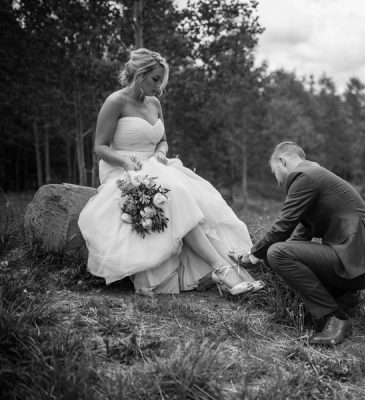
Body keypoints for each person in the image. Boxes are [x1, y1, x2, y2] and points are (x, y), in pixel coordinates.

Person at [78, 48, 263, 296]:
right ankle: (223, 269)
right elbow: (99, 147)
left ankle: (228, 269)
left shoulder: (154, 103)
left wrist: (161, 154)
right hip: (124, 171)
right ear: (139, 74)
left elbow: (162, 140)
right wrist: (126, 163)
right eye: (155, 79)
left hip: (157, 166)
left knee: (186, 195)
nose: (160, 86)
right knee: (175, 193)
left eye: (161, 80)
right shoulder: (116, 102)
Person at [239, 142, 365, 345]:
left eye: (273, 171)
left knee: (276, 252)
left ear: (282, 161)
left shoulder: (304, 176)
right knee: (277, 254)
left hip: (354, 260)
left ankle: (336, 318)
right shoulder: (315, 174)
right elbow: (301, 235)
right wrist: (270, 264)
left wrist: (253, 254)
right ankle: (344, 297)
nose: (276, 179)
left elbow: (283, 225)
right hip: (360, 262)